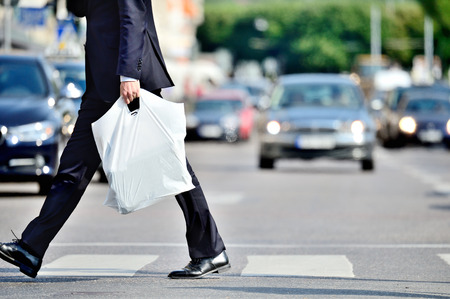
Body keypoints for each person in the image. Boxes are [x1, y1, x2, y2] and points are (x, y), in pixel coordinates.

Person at [0, 0, 230, 279]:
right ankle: (31, 247)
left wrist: (129, 73)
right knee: (73, 168)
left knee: (173, 164)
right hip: (101, 83)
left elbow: (133, 15)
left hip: (129, 81)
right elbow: (81, 8)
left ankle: (210, 249)